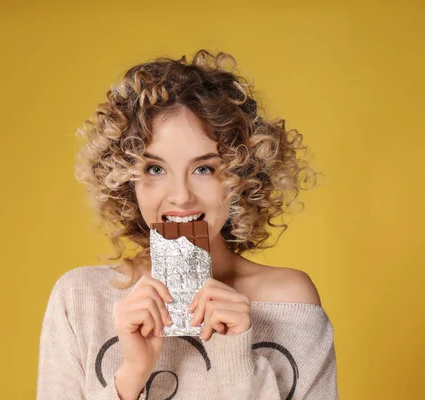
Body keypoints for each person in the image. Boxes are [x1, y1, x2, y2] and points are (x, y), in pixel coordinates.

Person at [37, 50, 338, 399]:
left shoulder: (290, 302)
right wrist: (131, 377)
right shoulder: (81, 299)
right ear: (125, 180)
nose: (180, 196)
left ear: (242, 175)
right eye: (155, 169)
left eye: (204, 169)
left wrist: (234, 361)